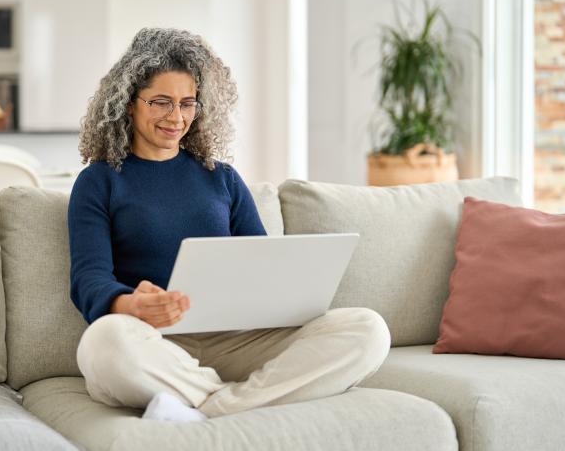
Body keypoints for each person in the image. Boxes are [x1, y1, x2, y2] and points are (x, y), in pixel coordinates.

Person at [68, 27, 390, 422]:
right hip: (151, 345)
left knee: (367, 329)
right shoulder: (99, 181)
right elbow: (90, 279)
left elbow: (260, 261)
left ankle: (208, 406)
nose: (176, 117)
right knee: (102, 343)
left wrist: (282, 293)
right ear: (128, 103)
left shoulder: (221, 178)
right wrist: (131, 304)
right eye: (161, 102)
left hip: (236, 342)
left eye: (188, 103)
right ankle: (243, 400)